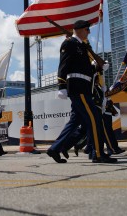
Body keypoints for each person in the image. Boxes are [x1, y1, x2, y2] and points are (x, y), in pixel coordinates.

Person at [47, 20, 117, 164]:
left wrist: (97, 67)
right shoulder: (69, 44)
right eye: (87, 29)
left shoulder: (83, 47)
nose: (89, 32)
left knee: (75, 121)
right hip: (78, 88)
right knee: (95, 118)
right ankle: (98, 154)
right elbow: (63, 66)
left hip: (85, 87)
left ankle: (55, 148)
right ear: (78, 30)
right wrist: (62, 86)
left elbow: (84, 69)